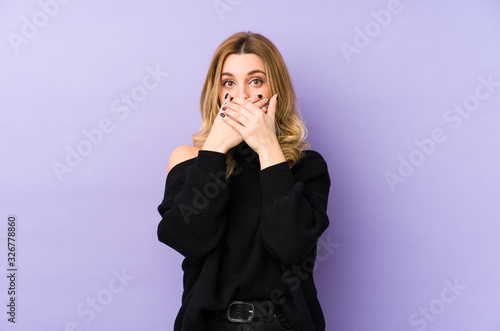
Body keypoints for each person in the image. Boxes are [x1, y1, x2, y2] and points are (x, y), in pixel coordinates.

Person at [157, 31, 331, 331]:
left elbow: (290, 247)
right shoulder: (188, 159)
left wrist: (267, 148)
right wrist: (214, 149)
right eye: (229, 83)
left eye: (255, 81)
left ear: (275, 89)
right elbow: (188, 240)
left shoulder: (306, 165)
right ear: (216, 92)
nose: (242, 96)